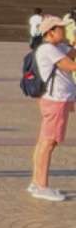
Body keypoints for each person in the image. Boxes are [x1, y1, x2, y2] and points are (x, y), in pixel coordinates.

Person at [28, 15, 76, 201]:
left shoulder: (58, 47)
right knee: (49, 143)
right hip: (56, 100)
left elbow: (71, 54)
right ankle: (41, 186)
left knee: (44, 141)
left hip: (60, 99)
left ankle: (36, 182)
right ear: (50, 32)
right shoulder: (47, 49)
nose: (64, 31)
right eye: (60, 28)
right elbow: (70, 65)